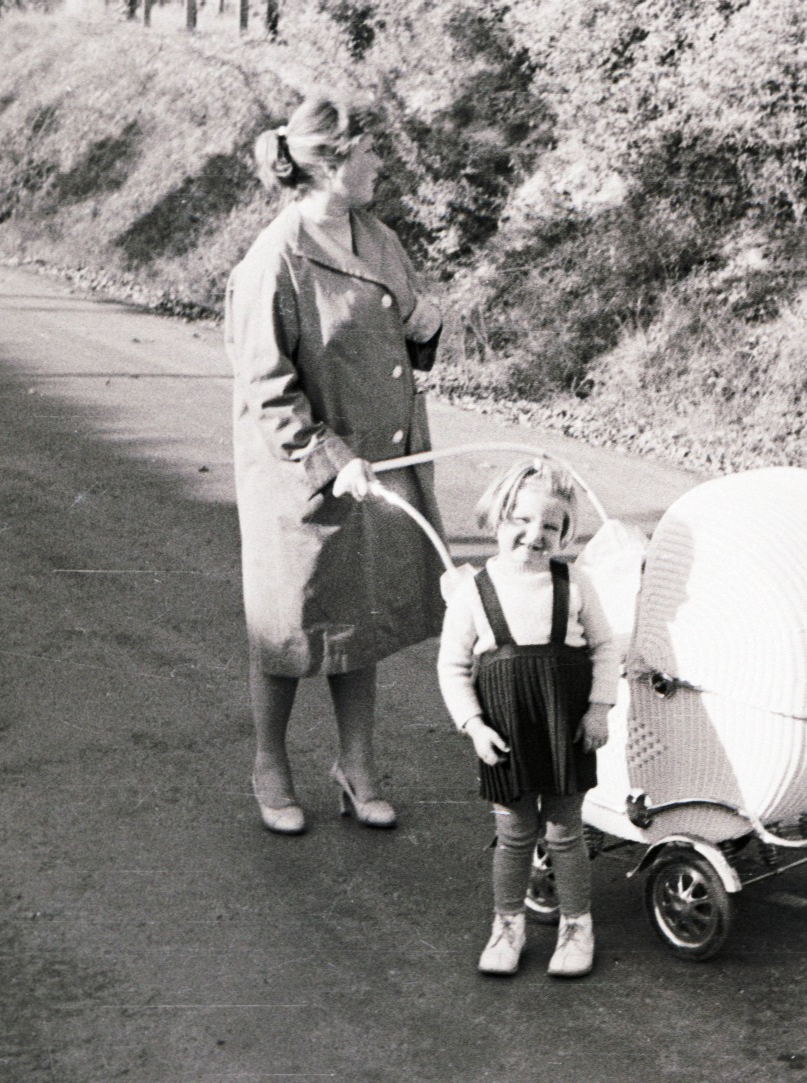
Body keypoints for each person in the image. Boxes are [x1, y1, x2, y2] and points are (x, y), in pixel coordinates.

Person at [226, 91, 445, 836]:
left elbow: (400, 339)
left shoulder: (377, 236)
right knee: (288, 627)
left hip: (381, 460)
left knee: (364, 613)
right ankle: (270, 764)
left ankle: (355, 768)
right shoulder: (276, 257)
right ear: (332, 161)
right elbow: (264, 385)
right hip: (300, 475)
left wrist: (425, 329)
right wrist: (329, 456)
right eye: (370, 150)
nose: (382, 162)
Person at [436, 460, 619, 978]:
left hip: (566, 728)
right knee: (515, 832)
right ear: (496, 519)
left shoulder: (574, 582)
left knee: (565, 831)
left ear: (564, 534)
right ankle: (507, 926)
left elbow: (605, 648)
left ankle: (577, 925)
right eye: (520, 519)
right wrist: (473, 725)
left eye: (549, 526)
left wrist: (599, 708)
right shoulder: (474, 591)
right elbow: (451, 665)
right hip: (505, 731)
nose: (533, 534)